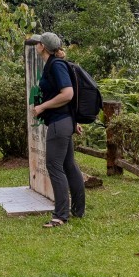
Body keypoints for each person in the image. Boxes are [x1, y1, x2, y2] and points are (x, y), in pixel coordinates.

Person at [27, 32, 85, 228]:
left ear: (43, 46)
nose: (36, 45)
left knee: (55, 166)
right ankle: (78, 209)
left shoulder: (57, 65)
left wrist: (42, 107)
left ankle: (60, 215)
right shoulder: (53, 64)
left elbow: (68, 94)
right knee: (68, 165)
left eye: (38, 43)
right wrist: (73, 120)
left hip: (59, 123)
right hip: (64, 121)